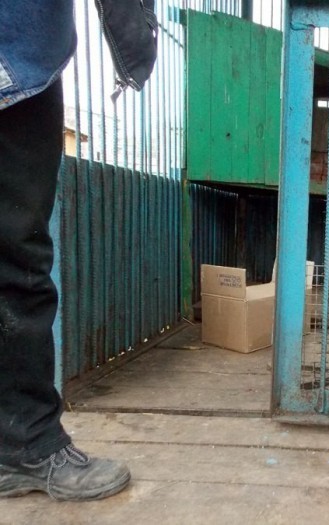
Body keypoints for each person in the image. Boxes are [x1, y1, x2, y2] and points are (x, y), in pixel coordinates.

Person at [0, 0, 156, 501]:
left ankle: (19, 443)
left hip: (22, 60)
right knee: (18, 256)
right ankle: (25, 443)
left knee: (18, 253)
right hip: (20, 59)